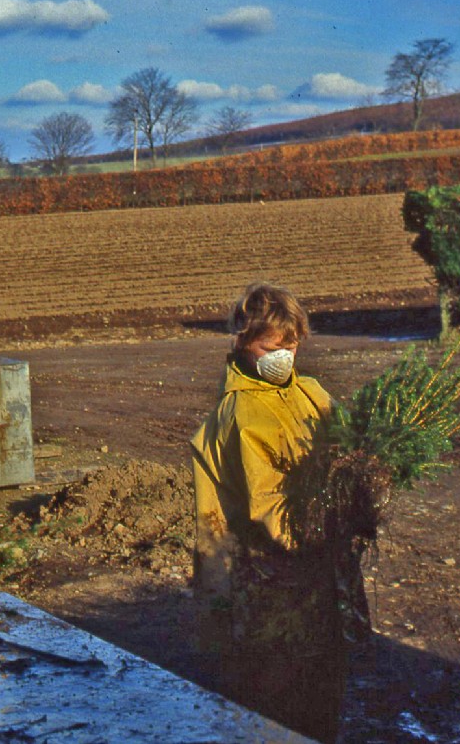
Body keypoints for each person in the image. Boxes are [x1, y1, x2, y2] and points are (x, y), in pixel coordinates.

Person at [190, 281, 345, 742]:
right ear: (242, 342)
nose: (284, 355)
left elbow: (344, 450)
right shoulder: (242, 412)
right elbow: (267, 508)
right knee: (275, 694)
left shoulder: (311, 393)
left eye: (292, 345)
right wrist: (325, 530)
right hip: (266, 571)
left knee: (321, 686)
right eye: (271, 346)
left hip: (311, 568)